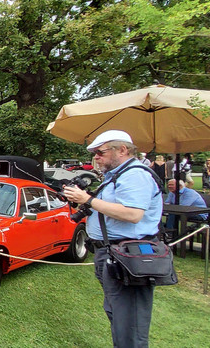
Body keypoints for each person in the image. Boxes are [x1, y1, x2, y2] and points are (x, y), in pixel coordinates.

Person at [63, 130, 163, 347]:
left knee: (130, 323)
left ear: (123, 150)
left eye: (100, 152)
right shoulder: (117, 175)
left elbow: (133, 214)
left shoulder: (135, 175)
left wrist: (87, 199)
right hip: (112, 253)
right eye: (94, 154)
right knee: (117, 314)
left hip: (129, 256)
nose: (96, 158)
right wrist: (84, 202)